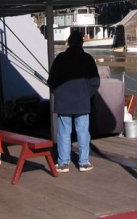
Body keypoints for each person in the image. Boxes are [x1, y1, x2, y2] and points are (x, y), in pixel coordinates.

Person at [48, 31, 100, 173]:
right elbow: (95, 82)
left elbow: (51, 81)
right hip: (82, 102)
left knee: (64, 132)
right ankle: (83, 163)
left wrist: (59, 93)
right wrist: (86, 94)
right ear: (81, 43)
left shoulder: (60, 58)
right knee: (83, 132)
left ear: (69, 42)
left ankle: (63, 163)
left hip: (63, 102)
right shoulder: (88, 59)